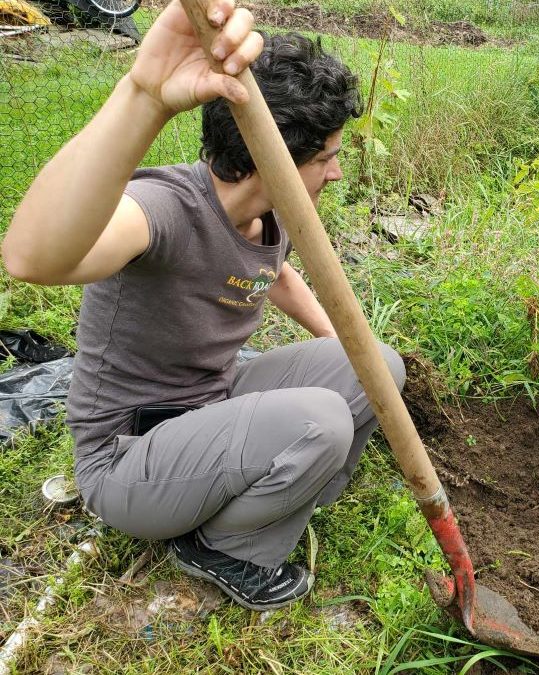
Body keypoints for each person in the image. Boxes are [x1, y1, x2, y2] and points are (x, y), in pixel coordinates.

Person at [2, 0, 405, 610]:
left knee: (378, 366)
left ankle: (282, 489)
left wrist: (345, 343)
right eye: (326, 158)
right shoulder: (166, 210)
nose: (338, 173)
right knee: (320, 420)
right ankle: (224, 545)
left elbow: (274, 275)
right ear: (273, 161)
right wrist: (144, 93)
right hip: (128, 458)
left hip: (208, 405)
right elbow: (34, 258)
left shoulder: (275, 214)